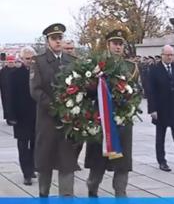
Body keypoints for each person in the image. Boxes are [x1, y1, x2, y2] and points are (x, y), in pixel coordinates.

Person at [84, 29, 139, 197]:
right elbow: (87, 92)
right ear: (108, 45)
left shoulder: (131, 67)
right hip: (100, 119)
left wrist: (130, 99)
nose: (118, 47)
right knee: (97, 162)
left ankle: (120, 194)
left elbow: (138, 91)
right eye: (115, 43)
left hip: (122, 122)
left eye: (121, 44)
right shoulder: (97, 65)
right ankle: (92, 189)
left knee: (122, 163)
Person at [30, 23, 80, 197]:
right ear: (48, 41)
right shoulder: (39, 61)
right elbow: (35, 90)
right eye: (54, 38)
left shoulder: (72, 62)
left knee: (67, 164)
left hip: (68, 123)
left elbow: (79, 87)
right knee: (45, 165)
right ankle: (43, 196)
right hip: (47, 121)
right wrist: (55, 107)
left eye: (60, 38)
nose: (58, 41)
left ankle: (67, 198)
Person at [10, 47, 37, 185]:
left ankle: (32, 168)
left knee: (35, 143)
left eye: (33, 58)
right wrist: (11, 116)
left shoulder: (39, 73)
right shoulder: (15, 74)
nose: (30, 61)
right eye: (27, 59)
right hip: (21, 116)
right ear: (21, 59)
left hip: (36, 115)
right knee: (22, 144)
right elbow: (10, 97)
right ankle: (26, 172)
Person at [0, 55, 16, 125]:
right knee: (7, 105)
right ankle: (9, 119)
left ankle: (15, 118)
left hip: (15, 92)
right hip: (5, 92)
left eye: (12, 62)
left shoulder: (17, 70)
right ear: (7, 62)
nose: (11, 63)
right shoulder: (2, 71)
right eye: (9, 62)